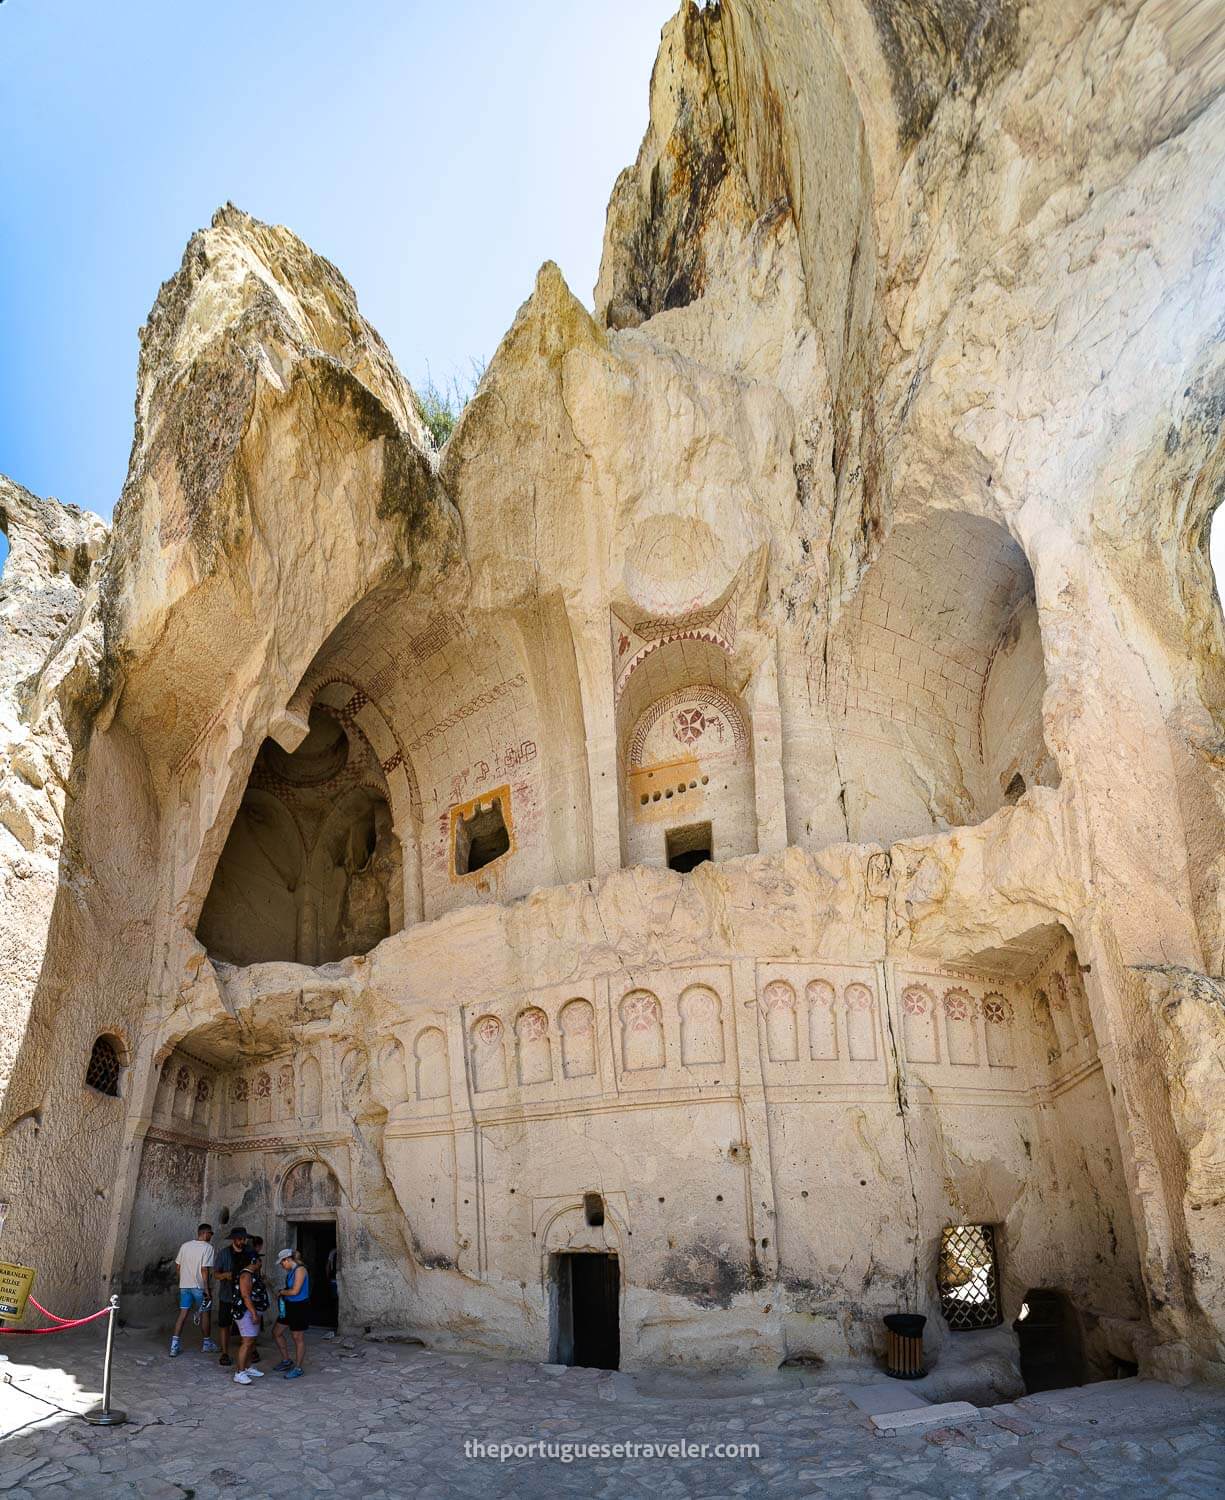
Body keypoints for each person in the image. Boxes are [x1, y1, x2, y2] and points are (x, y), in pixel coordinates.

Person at [170, 1223, 218, 1357]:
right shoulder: (208, 1248)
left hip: (184, 1286)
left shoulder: (185, 1246)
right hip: (199, 1287)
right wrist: (206, 1289)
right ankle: (207, 1344)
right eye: (210, 1233)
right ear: (205, 1233)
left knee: (182, 1314)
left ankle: (174, 1346)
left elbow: (178, 1267)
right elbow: (204, 1269)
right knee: (205, 1314)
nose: (211, 1236)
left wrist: (183, 1281)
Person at [231, 1247, 270, 1386]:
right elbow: (246, 1296)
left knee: (251, 1341)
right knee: (247, 1342)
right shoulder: (246, 1275)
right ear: (253, 1261)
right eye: (259, 1260)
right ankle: (239, 1372)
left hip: (253, 1311)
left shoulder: (253, 1274)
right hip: (246, 1312)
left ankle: (247, 1367)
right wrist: (253, 1313)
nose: (261, 1262)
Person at [212, 1225, 247, 1367]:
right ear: (234, 1239)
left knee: (246, 1325)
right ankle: (225, 1353)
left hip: (244, 1295)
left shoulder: (249, 1252)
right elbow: (215, 1274)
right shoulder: (224, 1253)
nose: (242, 1241)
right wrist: (225, 1275)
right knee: (224, 1324)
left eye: (243, 1239)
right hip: (227, 1295)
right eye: (239, 1239)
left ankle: (250, 1351)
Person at [272, 1247, 309, 1379]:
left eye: (282, 1262)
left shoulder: (300, 1270)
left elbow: (295, 1291)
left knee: (297, 1337)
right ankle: (286, 1360)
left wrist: (281, 1292)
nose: (282, 1265)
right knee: (276, 1332)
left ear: (287, 1259)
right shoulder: (292, 1271)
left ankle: (298, 1368)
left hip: (299, 1307)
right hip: (288, 1306)